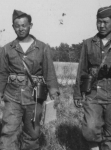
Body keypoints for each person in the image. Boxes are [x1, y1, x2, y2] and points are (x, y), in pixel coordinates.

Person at [0, 10, 59, 150]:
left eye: (24, 25)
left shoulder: (42, 48)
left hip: (35, 97)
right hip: (12, 96)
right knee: (8, 131)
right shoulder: (7, 49)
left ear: (30, 25)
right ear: (13, 27)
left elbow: (49, 72)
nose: (21, 29)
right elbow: (1, 73)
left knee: (32, 133)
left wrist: (54, 92)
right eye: (17, 26)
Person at [74, 6, 111, 150]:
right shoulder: (88, 43)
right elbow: (81, 69)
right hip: (93, 93)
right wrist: (77, 93)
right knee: (90, 128)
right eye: (98, 22)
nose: (101, 25)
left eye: (105, 22)